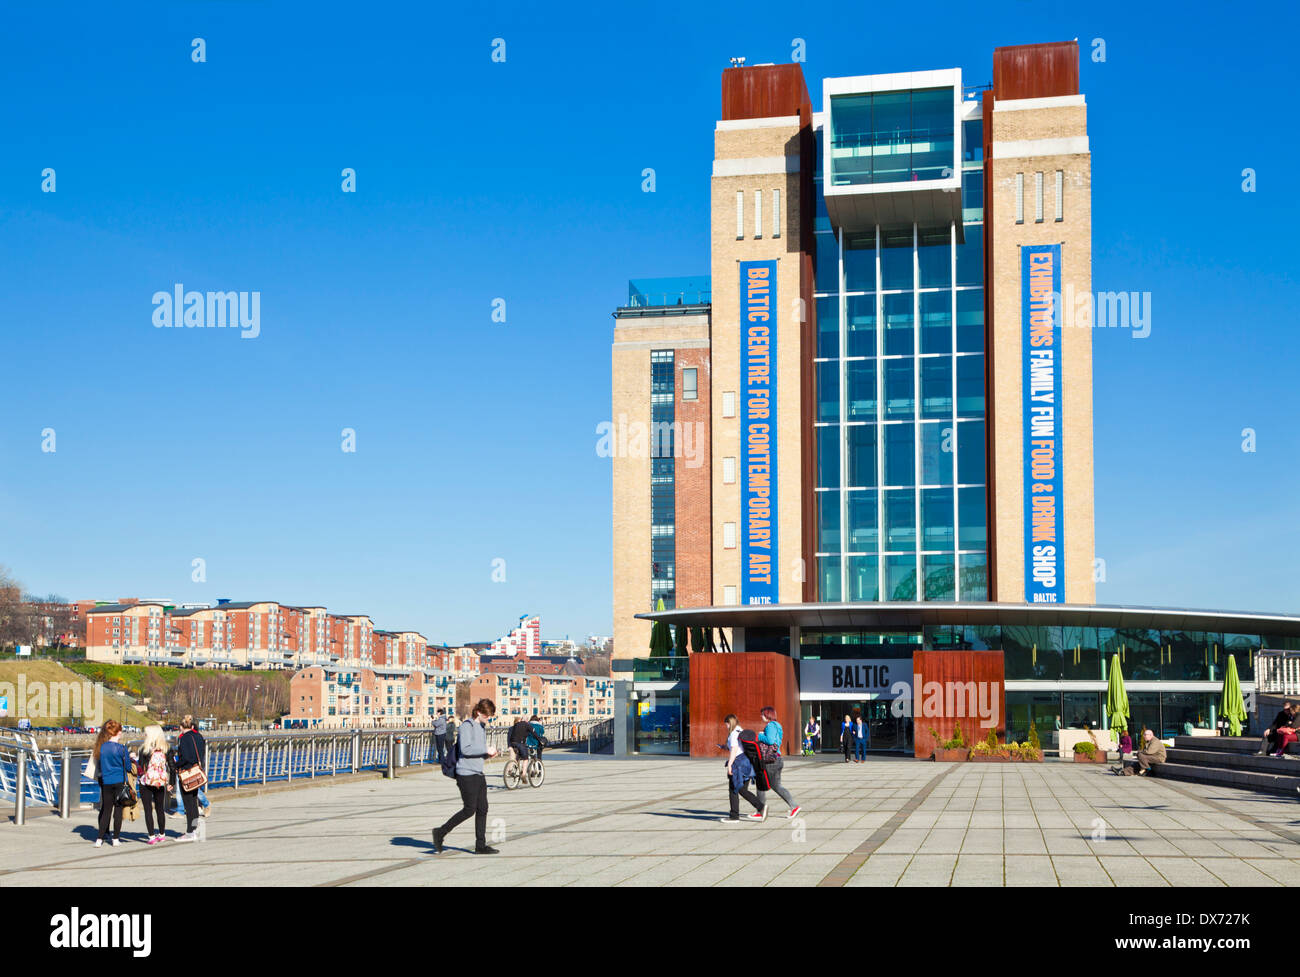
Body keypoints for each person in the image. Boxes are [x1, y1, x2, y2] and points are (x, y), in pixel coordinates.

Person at [432, 698, 499, 854]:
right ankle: (440, 832)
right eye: (487, 716)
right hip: (466, 774)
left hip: (478, 773)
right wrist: (485, 749)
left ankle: (480, 845)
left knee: (483, 808)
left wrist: (489, 755)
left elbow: (477, 752)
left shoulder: (481, 727)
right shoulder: (466, 727)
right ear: (478, 712)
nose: (488, 719)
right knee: (470, 809)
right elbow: (466, 750)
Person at [749, 706, 801, 820]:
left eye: (762, 714)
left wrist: (760, 735)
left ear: (768, 715)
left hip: (770, 761)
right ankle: (793, 806)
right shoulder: (778, 725)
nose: (761, 716)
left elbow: (770, 740)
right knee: (775, 785)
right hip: (776, 759)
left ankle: (761, 811)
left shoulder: (770, 725)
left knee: (762, 784)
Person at [92, 720, 129, 848]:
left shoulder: (102, 748)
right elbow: (128, 767)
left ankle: (99, 838)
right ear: (118, 732)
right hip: (118, 781)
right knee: (118, 810)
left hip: (106, 781)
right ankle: (116, 838)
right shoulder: (122, 748)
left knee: (106, 810)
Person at [135, 724, 174, 845]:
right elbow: (172, 767)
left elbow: (141, 766)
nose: (144, 735)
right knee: (159, 808)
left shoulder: (144, 749)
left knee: (148, 809)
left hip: (146, 781)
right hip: (160, 781)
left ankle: (151, 836)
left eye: (146, 733)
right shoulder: (166, 748)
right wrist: (171, 782)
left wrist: (134, 759)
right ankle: (162, 834)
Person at [718, 714, 762, 822]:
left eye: (727, 724)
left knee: (734, 789)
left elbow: (734, 750)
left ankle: (734, 816)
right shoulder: (740, 731)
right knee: (742, 789)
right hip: (746, 763)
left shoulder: (733, 734)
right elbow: (738, 747)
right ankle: (760, 807)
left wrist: (730, 766)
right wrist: (724, 747)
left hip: (738, 764)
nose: (726, 726)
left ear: (730, 723)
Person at [174, 716, 207, 841]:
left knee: (188, 803)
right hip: (196, 771)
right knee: (194, 801)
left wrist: (176, 764)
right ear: (192, 726)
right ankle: (195, 828)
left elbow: (186, 757)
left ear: (181, 727)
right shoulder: (198, 736)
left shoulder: (184, 738)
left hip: (187, 772)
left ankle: (190, 832)